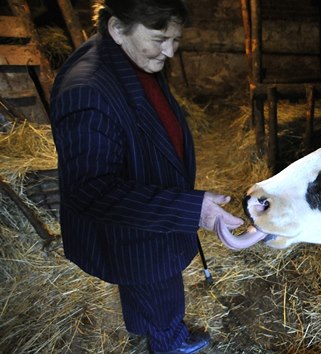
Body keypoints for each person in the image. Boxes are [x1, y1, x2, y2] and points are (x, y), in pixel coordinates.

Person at [48, 1, 244, 353]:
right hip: (135, 230)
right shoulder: (88, 90)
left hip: (149, 206)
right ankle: (168, 342)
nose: (170, 52)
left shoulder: (130, 58)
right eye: (159, 39)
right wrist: (191, 210)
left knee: (142, 284)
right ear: (117, 28)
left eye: (176, 39)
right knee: (160, 284)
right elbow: (90, 191)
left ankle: (143, 327)